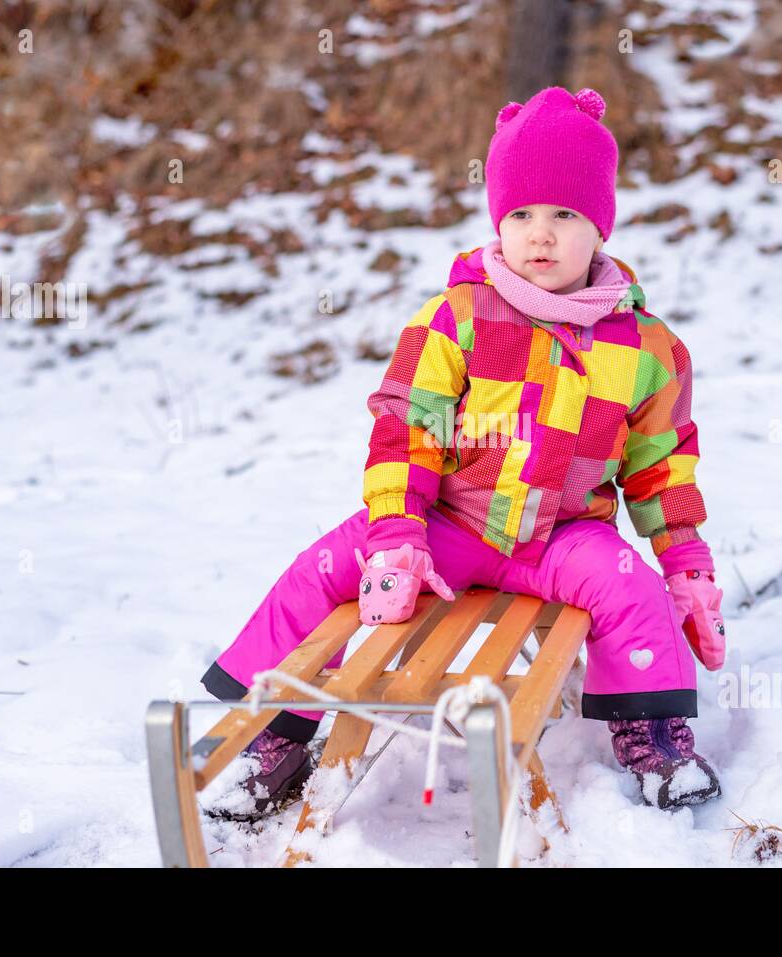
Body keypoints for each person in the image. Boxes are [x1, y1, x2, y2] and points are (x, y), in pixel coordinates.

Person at [202, 86, 727, 821]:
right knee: (320, 569)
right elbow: (406, 426)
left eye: (564, 214)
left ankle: (653, 736)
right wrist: (397, 534)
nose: (539, 235)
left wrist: (687, 563)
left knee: (630, 589)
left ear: (601, 224)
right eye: (520, 214)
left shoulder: (646, 347)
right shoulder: (458, 317)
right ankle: (275, 728)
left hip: (563, 537)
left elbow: (662, 460)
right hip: (448, 529)